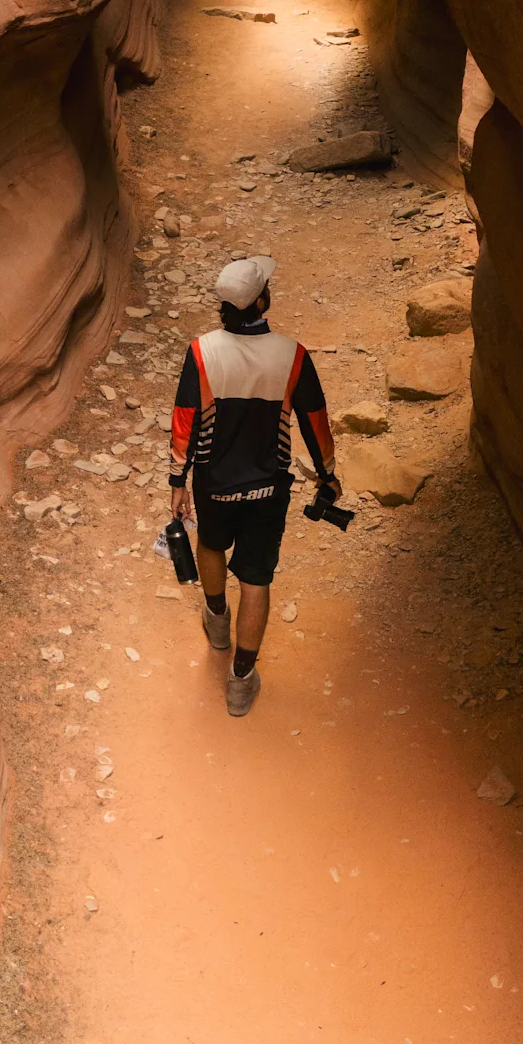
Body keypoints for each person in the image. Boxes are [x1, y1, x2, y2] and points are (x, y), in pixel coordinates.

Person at [168, 255, 340, 717]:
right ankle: (241, 679)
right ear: (261, 300)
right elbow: (314, 422)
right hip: (267, 488)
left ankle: (218, 620)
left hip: (214, 481)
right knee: (257, 577)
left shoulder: (201, 351)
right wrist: (328, 474)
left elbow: (185, 420)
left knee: (210, 544)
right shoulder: (292, 355)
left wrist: (176, 479)